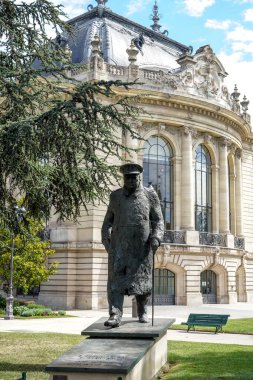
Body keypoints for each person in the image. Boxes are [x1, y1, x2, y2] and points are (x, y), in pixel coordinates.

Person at [101, 163, 164, 327]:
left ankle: (142, 312)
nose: (130, 180)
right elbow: (107, 221)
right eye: (127, 177)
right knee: (115, 281)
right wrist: (106, 240)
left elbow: (158, 220)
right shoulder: (115, 196)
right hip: (118, 246)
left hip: (141, 246)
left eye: (133, 177)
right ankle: (115, 314)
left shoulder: (150, 195)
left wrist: (156, 237)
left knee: (142, 280)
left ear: (139, 177)